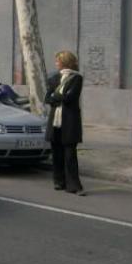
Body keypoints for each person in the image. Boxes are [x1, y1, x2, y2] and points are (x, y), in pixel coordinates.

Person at [45, 51, 85, 195]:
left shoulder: (76, 78)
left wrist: (57, 97)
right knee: (57, 153)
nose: (56, 64)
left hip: (70, 122)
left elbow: (70, 98)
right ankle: (58, 181)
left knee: (70, 155)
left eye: (58, 61)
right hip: (55, 121)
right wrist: (59, 97)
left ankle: (74, 185)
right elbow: (47, 98)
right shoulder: (55, 78)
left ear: (64, 62)